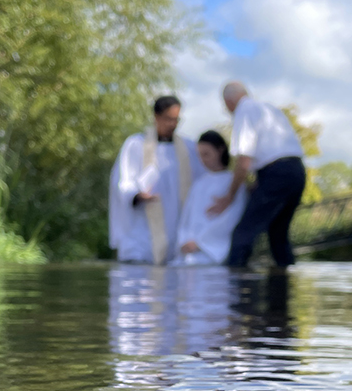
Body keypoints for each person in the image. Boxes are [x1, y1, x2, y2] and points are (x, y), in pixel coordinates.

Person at [207, 81, 306, 268]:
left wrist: (230, 196)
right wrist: (260, 182)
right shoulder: (269, 109)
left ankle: (235, 282)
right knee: (278, 234)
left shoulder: (243, 111)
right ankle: (286, 281)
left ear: (228, 101)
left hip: (276, 174)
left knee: (243, 232)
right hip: (297, 172)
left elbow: (243, 161)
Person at [109, 96, 203, 264]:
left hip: (177, 223)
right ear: (156, 117)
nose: (173, 124)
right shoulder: (135, 144)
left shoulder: (188, 147)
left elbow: (202, 181)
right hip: (142, 227)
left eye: (176, 119)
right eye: (168, 119)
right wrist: (136, 196)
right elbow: (122, 180)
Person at [173, 130, 247, 266]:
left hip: (211, 253)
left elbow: (232, 218)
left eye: (207, 154)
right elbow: (186, 218)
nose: (203, 160)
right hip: (189, 253)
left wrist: (200, 244)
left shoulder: (232, 183)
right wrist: (184, 241)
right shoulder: (199, 184)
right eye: (200, 155)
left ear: (220, 150)